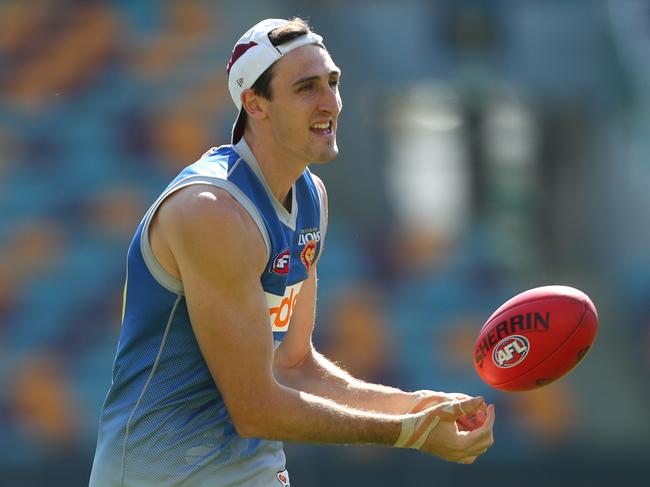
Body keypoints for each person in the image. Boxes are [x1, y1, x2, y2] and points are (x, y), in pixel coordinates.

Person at [89, 17, 495, 487]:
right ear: (254, 104)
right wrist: (409, 434)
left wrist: (414, 405)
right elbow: (256, 409)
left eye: (333, 82)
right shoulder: (211, 210)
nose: (330, 102)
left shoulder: (310, 197)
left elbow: (294, 366)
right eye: (306, 88)